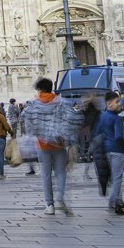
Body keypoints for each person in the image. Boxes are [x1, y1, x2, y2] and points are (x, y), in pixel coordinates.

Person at [22, 80, 79, 215]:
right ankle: (61, 195)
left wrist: (34, 134)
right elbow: (71, 120)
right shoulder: (61, 102)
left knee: (46, 174)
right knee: (61, 172)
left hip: (42, 144)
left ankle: (50, 205)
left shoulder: (34, 104)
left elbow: (27, 120)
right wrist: (71, 141)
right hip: (59, 143)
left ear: (40, 89)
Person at [94, 91, 124, 214]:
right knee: (118, 178)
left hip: (107, 150)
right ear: (109, 103)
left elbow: (98, 132)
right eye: (117, 102)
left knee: (114, 178)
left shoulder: (102, 116)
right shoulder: (117, 119)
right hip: (117, 150)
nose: (119, 104)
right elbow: (119, 136)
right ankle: (114, 202)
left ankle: (115, 201)